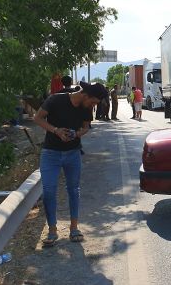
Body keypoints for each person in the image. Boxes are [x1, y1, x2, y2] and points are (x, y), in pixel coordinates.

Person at [33, 81, 107, 246]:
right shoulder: (55, 100)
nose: (93, 106)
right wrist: (56, 131)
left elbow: (86, 127)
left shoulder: (86, 109)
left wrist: (76, 134)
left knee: (73, 190)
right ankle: (52, 231)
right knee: (49, 191)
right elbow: (37, 118)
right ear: (85, 95)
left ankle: (74, 228)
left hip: (73, 154)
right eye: (93, 102)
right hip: (50, 154)